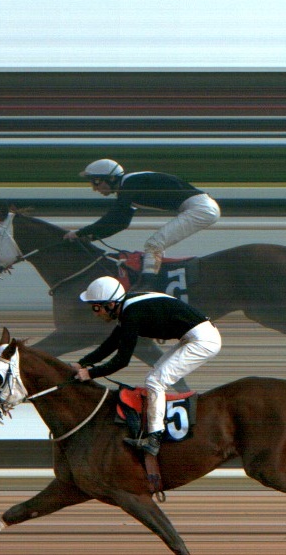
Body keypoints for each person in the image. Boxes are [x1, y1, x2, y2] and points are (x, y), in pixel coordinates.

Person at [70, 275, 221, 456]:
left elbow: (122, 361)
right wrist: (82, 363)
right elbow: (110, 344)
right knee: (153, 378)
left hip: (203, 340)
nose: (95, 313)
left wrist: (90, 374)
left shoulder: (132, 314)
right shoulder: (128, 307)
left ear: (110, 304)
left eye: (96, 307)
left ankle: (154, 439)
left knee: (155, 381)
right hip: (196, 336)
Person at [62, 159, 220, 275]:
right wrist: (90, 237)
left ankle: (148, 284)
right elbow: (120, 223)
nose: (95, 188)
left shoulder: (129, 184)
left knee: (154, 244)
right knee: (156, 245)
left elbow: (113, 216)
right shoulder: (130, 188)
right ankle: (156, 277)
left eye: (96, 182)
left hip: (201, 208)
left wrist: (80, 233)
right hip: (200, 206)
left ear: (111, 178)